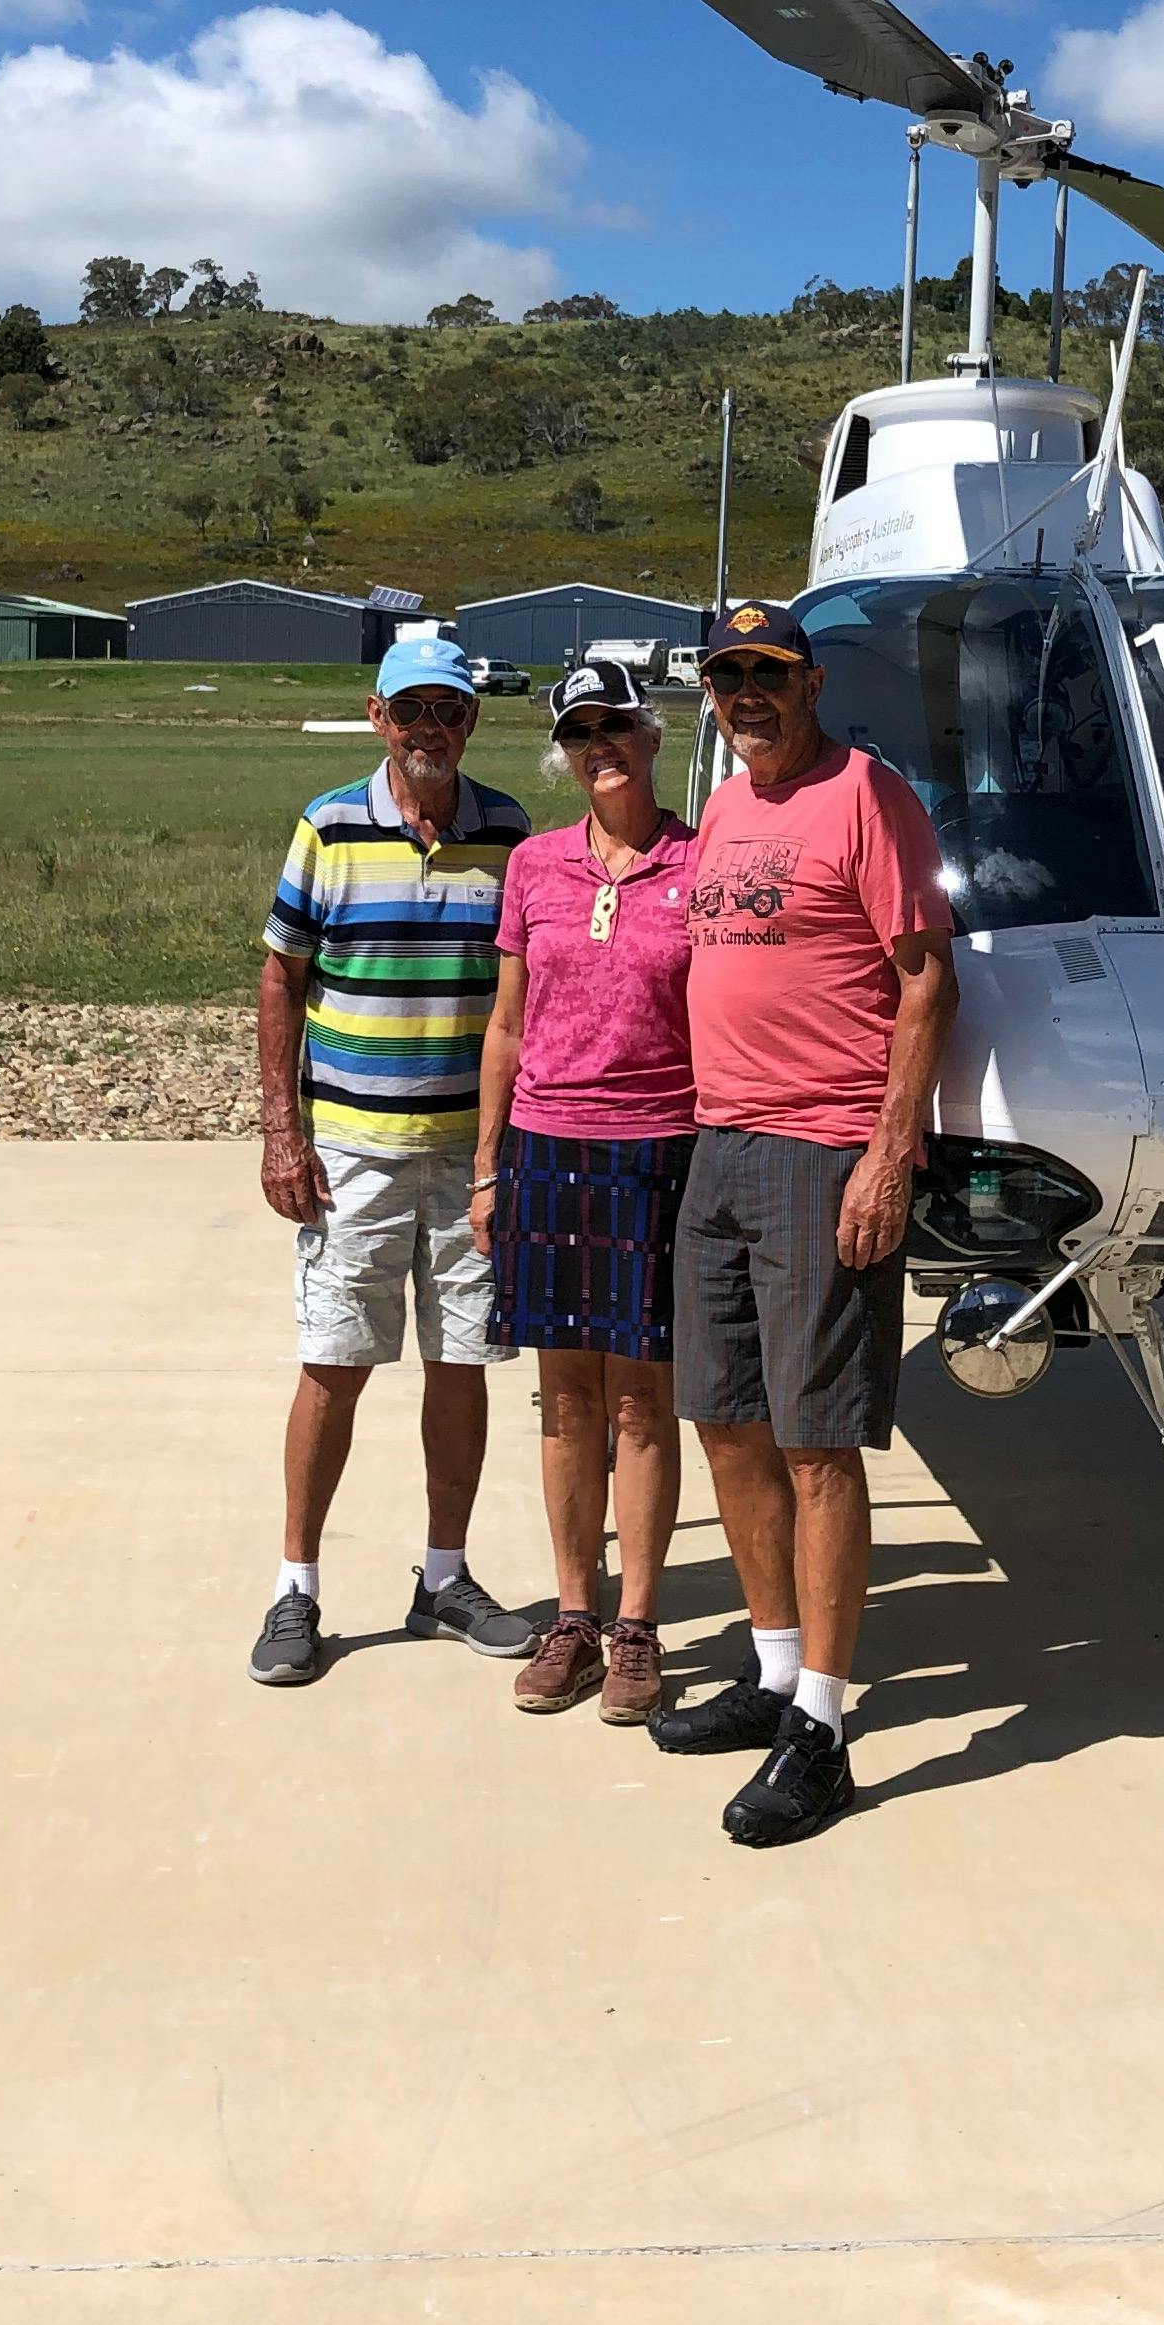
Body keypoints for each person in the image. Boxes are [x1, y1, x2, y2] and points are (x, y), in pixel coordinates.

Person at [654, 596, 956, 1844]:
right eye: (727, 680)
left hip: (822, 1149)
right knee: (724, 1418)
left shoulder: (867, 795)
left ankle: (823, 1726)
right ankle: (774, 1668)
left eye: (767, 675)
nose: (746, 698)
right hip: (718, 1145)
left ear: (813, 682)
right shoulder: (725, 807)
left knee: (817, 1439)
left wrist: (889, 1155)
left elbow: (927, 975)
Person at [247, 632, 540, 1688]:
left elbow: (528, 994)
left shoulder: (511, 832)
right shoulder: (328, 825)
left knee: (462, 1366)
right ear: (378, 715)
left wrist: (514, 1155)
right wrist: (283, 1132)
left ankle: (445, 1577)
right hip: (353, 1152)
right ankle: (297, 1589)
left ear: (472, 720)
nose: (432, 728)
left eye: (451, 711)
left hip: (472, 1156)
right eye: (412, 709)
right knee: (334, 1365)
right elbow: (281, 977)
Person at [469, 658, 697, 1725]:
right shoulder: (535, 866)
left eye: (615, 727)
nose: (598, 747)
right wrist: (487, 1166)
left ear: (653, 738)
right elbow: (507, 1025)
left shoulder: (699, 862)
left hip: (658, 1145)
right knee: (565, 1398)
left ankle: (639, 1625)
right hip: (547, 1145)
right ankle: (574, 1614)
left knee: (644, 1400)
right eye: (578, 734)